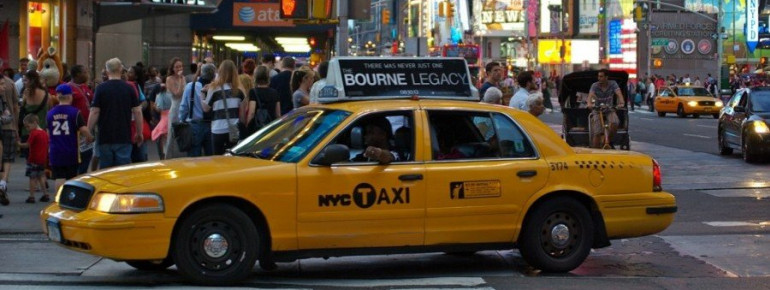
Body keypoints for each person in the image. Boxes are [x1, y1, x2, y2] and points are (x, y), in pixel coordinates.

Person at [87, 58, 143, 169]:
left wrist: (88, 131)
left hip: (105, 136)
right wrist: (139, 132)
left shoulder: (101, 89)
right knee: (122, 170)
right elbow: (137, 111)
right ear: (121, 69)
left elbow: (94, 111)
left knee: (106, 169)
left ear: (107, 71)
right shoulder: (129, 88)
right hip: (124, 136)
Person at [47, 84, 93, 190]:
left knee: (59, 177)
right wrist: (89, 137)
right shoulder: (75, 112)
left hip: (55, 150)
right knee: (71, 177)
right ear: (69, 96)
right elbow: (83, 129)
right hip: (70, 150)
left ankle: (58, 197)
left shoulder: (50, 113)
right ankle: (68, 197)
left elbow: (48, 132)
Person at [202, 60, 246, 155]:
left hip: (217, 129)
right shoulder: (240, 90)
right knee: (231, 158)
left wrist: (202, 95)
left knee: (218, 159)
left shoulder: (214, 88)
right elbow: (242, 117)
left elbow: (206, 109)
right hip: (233, 130)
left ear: (220, 72)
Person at [179, 63, 216, 157]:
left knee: (194, 159)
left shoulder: (190, 86)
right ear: (213, 75)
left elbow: (184, 107)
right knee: (211, 157)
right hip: (211, 125)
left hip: (194, 125)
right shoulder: (216, 88)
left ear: (201, 73)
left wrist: (182, 119)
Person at [587, 69, 625, 149]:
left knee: (615, 123)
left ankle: (607, 140)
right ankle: (595, 150)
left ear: (606, 77)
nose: (599, 78)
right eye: (598, 76)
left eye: (601, 76)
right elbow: (590, 96)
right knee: (597, 132)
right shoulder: (595, 85)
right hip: (597, 109)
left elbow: (619, 93)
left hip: (609, 109)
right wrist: (589, 103)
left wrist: (621, 102)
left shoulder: (613, 84)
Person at [16, 114, 49, 203]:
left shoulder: (34, 133)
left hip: (33, 159)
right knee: (41, 176)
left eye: (28, 126)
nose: (27, 129)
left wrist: (19, 144)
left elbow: (27, 144)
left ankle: (31, 196)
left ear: (34, 123)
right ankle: (45, 194)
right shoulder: (44, 133)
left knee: (32, 178)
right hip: (42, 159)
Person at [0, 70, 19, 205]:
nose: (3, 86)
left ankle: (2, 184)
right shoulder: (11, 83)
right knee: (7, 157)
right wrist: (15, 125)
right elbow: (15, 107)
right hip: (9, 127)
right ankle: (3, 183)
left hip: (5, 126)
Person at [164, 57, 187, 159]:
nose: (179, 69)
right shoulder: (169, 79)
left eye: (180, 66)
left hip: (183, 107)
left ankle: (181, 155)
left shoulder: (184, 78)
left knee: (183, 132)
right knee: (172, 133)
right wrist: (181, 80)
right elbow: (177, 94)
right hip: (175, 107)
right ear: (173, 68)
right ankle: (169, 156)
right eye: (177, 67)